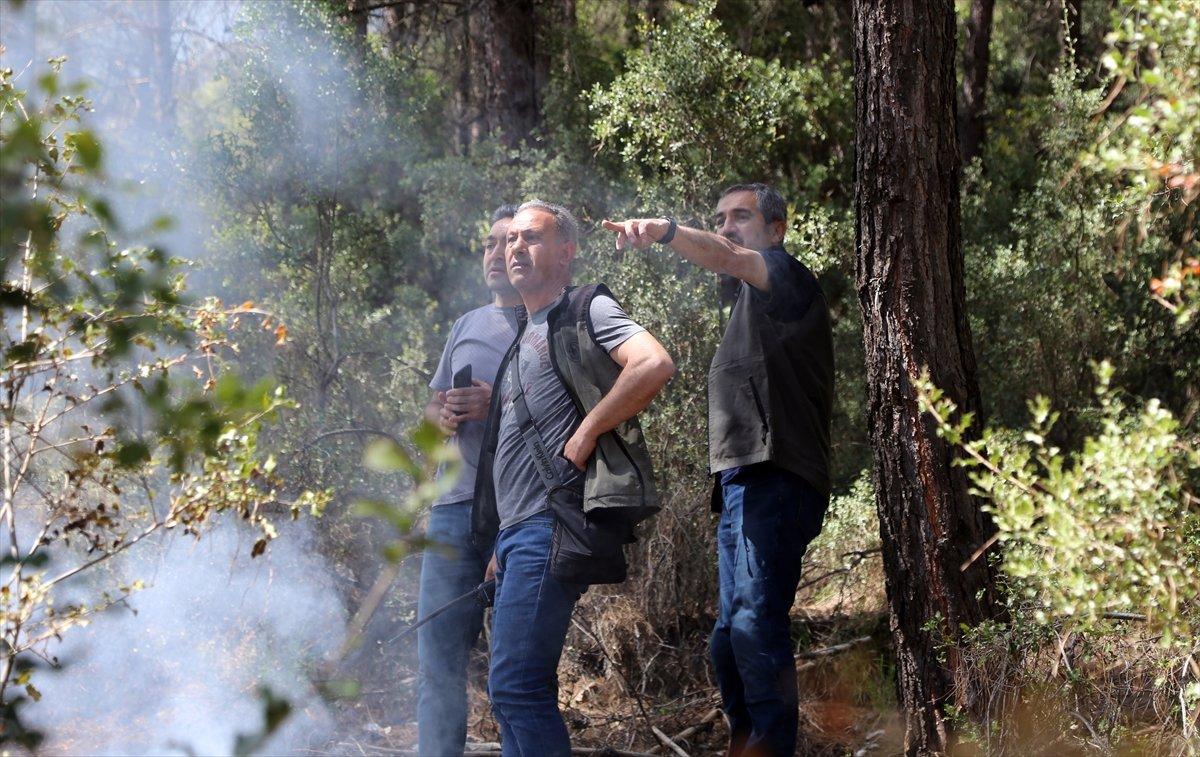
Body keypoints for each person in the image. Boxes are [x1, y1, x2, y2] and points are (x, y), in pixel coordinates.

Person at [602, 183, 834, 757]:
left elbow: (729, 258)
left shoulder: (787, 277)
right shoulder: (744, 309)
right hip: (739, 486)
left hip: (777, 477)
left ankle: (771, 747)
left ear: (775, 230)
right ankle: (744, 742)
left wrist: (666, 232)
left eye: (741, 217)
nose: (728, 228)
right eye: (720, 218)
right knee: (727, 640)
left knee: (754, 624)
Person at [471, 200, 674, 756]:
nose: (515, 248)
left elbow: (653, 363)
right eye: (511, 238)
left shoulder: (585, 307)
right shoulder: (520, 339)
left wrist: (586, 433)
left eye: (531, 238)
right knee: (509, 691)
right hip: (517, 536)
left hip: (549, 527)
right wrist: (499, 541)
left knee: (517, 687)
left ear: (566, 252)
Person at [416, 205, 521, 757]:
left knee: (514, 669)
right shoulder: (465, 325)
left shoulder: (548, 320)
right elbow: (432, 417)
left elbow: (569, 413)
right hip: (452, 510)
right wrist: (442, 416)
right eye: (488, 242)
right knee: (437, 657)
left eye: (508, 242)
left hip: (519, 513)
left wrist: (496, 404)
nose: (497, 253)